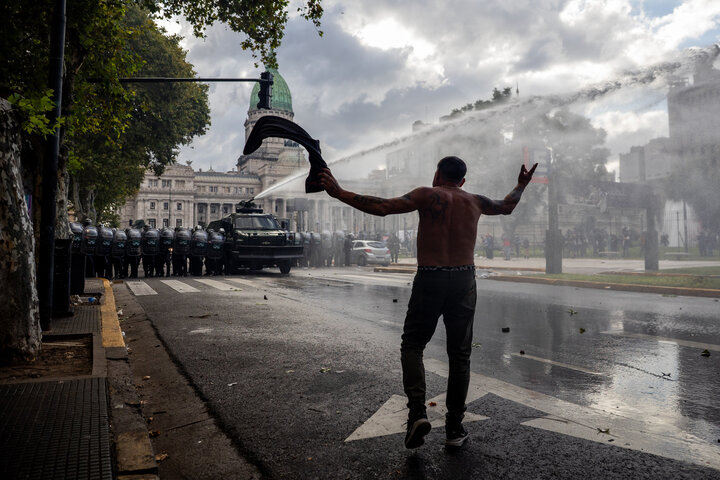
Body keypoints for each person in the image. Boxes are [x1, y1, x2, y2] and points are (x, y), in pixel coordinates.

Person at [319, 156, 536, 450]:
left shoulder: (426, 194)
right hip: (463, 279)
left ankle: (418, 414)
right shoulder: (475, 200)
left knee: (412, 345)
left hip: (430, 277)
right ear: (462, 181)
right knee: (459, 356)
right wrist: (521, 185)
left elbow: (382, 206)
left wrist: (339, 192)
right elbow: (507, 206)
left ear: (437, 174)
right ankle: (455, 428)